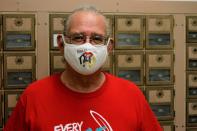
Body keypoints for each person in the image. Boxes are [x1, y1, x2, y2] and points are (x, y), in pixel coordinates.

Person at [3, 5, 162, 131]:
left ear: (109, 46)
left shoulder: (131, 96)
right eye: (78, 37)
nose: (87, 46)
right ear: (61, 43)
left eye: (96, 38)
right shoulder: (33, 97)